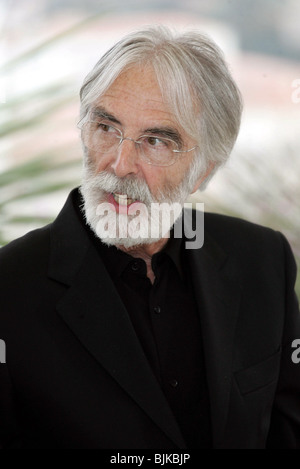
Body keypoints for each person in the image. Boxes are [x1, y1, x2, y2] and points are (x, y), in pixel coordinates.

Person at [0, 25, 299, 450]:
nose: (120, 164)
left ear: (205, 170)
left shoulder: (263, 259)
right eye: (106, 127)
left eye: (156, 140)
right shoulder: (8, 287)